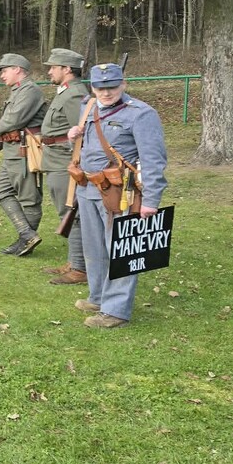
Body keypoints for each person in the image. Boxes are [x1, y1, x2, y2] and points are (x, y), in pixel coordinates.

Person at [68, 63, 167, 328]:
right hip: (88, 188)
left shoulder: (141, 114)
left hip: (121, 192)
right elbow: (86, 146)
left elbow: (153, 160)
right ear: (92, 87)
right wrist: (72, 136)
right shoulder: (88, 106)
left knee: (122, 250)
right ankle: (99, 297)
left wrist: (150, 201)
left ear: (123, 84)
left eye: (112, 86)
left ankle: (116, 311)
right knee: (95, 248)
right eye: (100, 87)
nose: (106, 92)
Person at [0, 53, 47, 257]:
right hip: (13, 151)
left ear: (17, 69)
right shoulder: (18, 91)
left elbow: (14, 120)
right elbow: (11, 124)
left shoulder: (30, 91)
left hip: (25, 152)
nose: (2, 75)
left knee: (29, 199)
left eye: (5, 70)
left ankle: (26, 239)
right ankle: (27, 235)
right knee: (0, 191)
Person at [38, 48, 90, 284]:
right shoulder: (66, 92)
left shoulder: (74, 95)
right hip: (55, 160)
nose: (49, 71)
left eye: (53, 67)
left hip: (65, 162)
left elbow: (81, 132)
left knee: (72, 214)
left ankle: (80, 269)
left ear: (67, 69)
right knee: (67, 212)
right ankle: (74, 261)